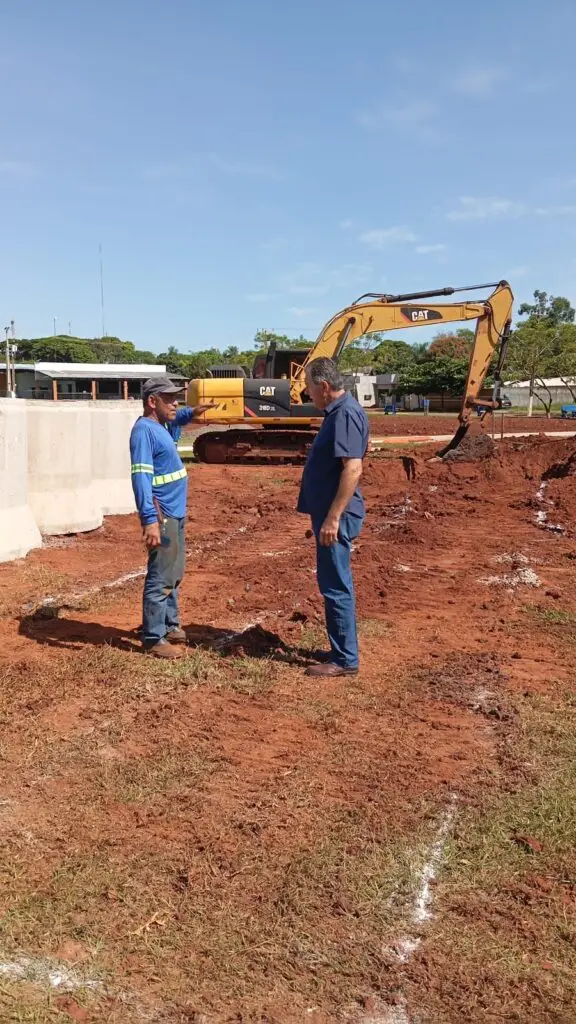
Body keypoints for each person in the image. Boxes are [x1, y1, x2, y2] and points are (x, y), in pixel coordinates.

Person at [129, 375, 211, 658]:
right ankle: (153, 636)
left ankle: (169, 623)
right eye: (170, 399)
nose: (176, 403)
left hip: (175, 512)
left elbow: (177, 419)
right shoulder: (144, 432)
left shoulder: (162, 425)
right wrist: (149, 519)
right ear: (153, 402)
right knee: (161, 574)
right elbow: (140, 477)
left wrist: (193, 412)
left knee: (174, 572)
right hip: (162, 515)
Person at [297, 357, 369, 677]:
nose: (307, 394)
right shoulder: (337, 413)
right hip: (329, 514)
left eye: (310, 388)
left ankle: (344, 661)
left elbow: (353, 468)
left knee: (335, 584)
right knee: (334, 581)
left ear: (324, 387)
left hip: (334, 518)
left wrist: (333, 517)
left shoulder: (345, 415)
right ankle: (341, 650)